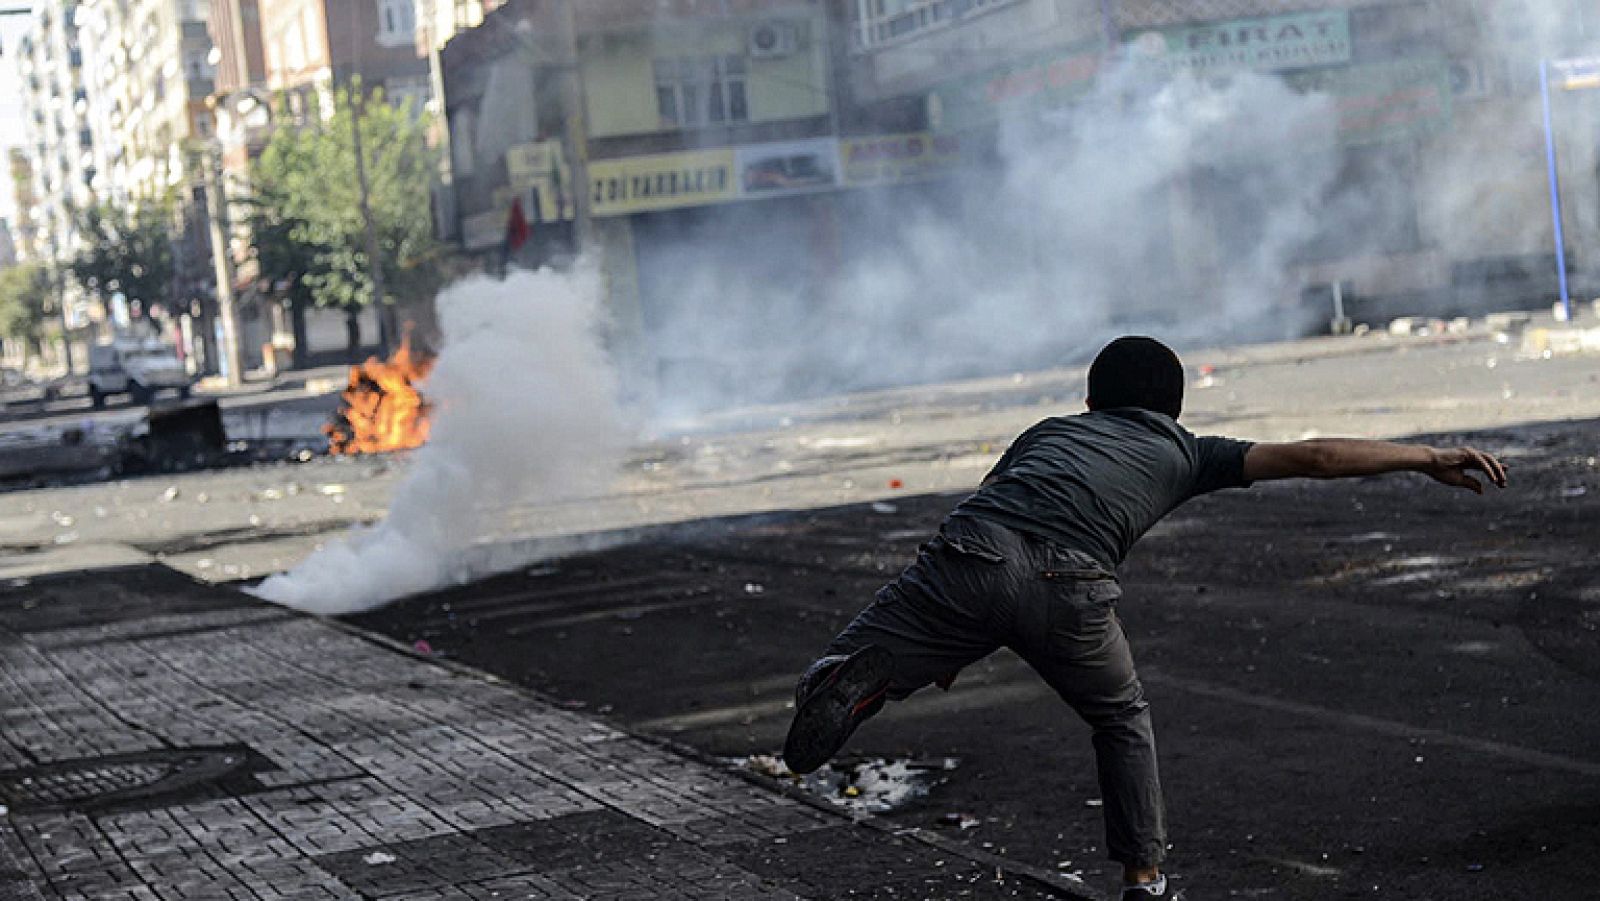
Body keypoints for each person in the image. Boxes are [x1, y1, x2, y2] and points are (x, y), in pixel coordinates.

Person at [781, 336, 1507, 900]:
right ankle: (1144, 880)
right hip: (1074, 581)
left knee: (864, 649)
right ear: (1175, 408)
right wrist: (1426, 456)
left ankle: (855, 680)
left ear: (1091, 402)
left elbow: (1000, 515)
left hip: (977, 549)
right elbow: (1315, 456)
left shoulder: (1048, 432)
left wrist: (953, 647)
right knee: (1121, 718)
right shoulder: (1189, 453)